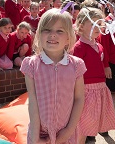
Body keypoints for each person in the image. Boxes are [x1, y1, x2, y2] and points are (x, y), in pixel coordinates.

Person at [20, 8, 86, 144]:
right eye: (47, 30)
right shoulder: (31, 64)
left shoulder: (76, 65)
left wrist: (68, 131)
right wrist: (35, 137)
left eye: (59, 31)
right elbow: (32, 101)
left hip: (66, 133)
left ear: (68, 38)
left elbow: (79, 98)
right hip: (39, 132)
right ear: (38, 35)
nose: (52, 35)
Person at [73, 7, 115, 143]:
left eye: (100, 24)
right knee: (82, 127)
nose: (98, 27)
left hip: (99, 89)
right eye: (93, 24)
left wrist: (106, 67)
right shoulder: (79, 47)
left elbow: (101, 60)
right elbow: (74, 73)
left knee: (92, 123)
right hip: (86, 92)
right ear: (81, 26)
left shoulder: (99, 46)